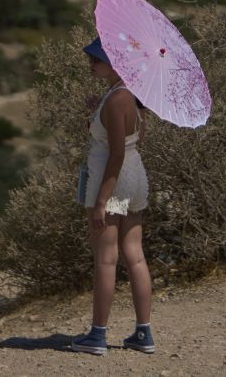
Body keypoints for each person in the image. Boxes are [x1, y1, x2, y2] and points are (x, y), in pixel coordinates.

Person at [69, 37, 155, 356]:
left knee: (106, 259)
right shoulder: (130, 95)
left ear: (116, 63)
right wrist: (97, 114)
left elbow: (114, 155)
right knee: (135, 254)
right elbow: (136, 137)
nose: (91, 63)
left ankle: (98, 335)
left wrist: (102, 201)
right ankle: (143, 333)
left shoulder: (117, 97)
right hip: (136, 178)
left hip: (113, 181)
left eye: (97, 59)